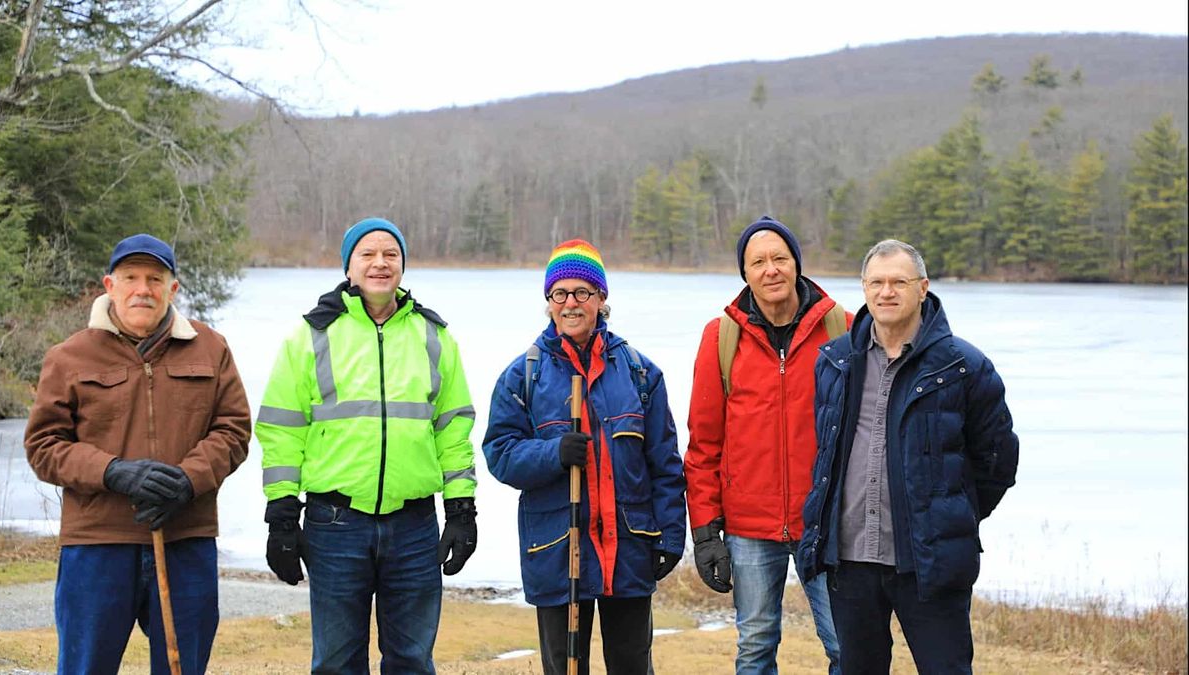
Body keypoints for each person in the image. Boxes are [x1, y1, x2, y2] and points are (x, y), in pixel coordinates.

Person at [255, 217, 478, 673]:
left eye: (390, 255)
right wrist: (281, 515)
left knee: (412, 660)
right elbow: (282, 429)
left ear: (402, 265)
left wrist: (461, 511)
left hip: (414, 527)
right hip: (335, 524)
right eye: (368, 254)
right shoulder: (311, 336)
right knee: (337, 663)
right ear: (349, 266)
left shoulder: (435, 337)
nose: (380, 263)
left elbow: (453, 430)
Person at [24, 233, 251, 675]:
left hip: (186, 538)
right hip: (96, 545)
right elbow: (43, 446)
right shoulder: (68, 357)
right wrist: (113, 472)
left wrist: (187, 481)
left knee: (184, 668)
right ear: (110, 286)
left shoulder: (212, 348)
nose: (142, 289)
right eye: (131, 277)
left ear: (173, 288)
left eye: (155, 278)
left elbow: (233, 430)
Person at [796, 239, 1020, 674]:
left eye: (899, 282)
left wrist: (950, 514)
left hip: (929, 563)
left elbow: (997, 462)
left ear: (923, 288)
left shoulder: (964, 366)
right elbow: (827, 453)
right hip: (850, 560)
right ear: (863, 288)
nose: (886, 292)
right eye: (876, 282)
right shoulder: (836, 361)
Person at [483, 239, 686, 674]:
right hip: (558, 550)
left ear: (601, 299)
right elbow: (499, 454)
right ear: (548, 302)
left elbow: (666, 465)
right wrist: (552, 453)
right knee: (566, 668)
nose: (571, 303)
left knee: (632, 666)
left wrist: (670, 535)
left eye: (582, 293)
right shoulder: (524, 376)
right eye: (560, 294)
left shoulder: (641, 373)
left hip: (629, 550)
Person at [684, 215, 846, 674]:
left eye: (780, 258)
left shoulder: (844, 328)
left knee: (846, 647)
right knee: (755, 648)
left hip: (825, 524)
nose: (770, 269)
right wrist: (705, 532)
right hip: (749, 527)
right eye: (758, 262)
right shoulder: (721, 338)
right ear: (745, 273)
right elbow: (703, 445)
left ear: (797, 264)